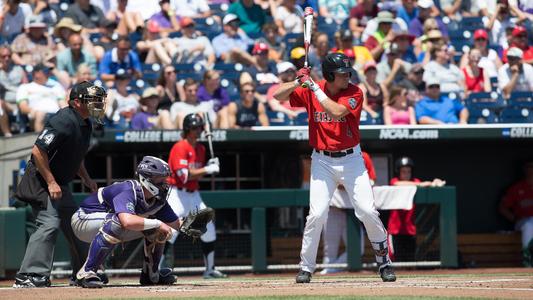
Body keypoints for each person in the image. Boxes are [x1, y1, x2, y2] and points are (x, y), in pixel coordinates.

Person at [273, 52, 396, 283]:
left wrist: (313, 88)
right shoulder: (312, 87)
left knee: (367, 211)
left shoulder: (355, 92)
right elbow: (278, 95)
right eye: (341, 74)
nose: (347, 77)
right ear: (330, 75)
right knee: (316, 214)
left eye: (348, 73)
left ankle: (384, 262)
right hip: (322, 160)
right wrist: (299, 82)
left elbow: (336, 111)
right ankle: (306, 268)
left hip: (351, 160)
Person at [13, 81, 105, 288]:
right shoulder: (64, 119)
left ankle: (85, 271)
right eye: (92, 100)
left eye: (99, 100)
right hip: (40, 180)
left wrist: (86, 177)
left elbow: (76, 155)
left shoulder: (85, 122)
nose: (97, 103)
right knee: (49, 223)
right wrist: (51, 181)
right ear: (75, 102)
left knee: (77, 225)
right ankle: (29, 275)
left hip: (59, 183)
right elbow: (38, 151)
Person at [71, 156, 180, 288]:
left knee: (158, 230)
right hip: (83, 220)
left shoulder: (158, 200)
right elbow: (126, 221)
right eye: (160, 179)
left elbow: (174, 224)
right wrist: (158, 223)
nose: (164, 183)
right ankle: (86, 272)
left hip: (105, 224)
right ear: (146, 178)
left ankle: (151, 274)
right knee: (117, 222)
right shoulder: (129, 189)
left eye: (165, 178)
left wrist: (189, 225)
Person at [166, 113, 227, 279]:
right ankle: (156, 268)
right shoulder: (180, 147)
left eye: (200, 127)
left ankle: (210, 269)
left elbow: (195, 175)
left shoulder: (201, 148)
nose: (198, 130)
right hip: (177, 194)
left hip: (193, 195)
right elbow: (184, 176)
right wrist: (208, 169)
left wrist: (208, 167)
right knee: (170, 232)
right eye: (194, 128)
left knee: (209, 230)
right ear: (187, 129)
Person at [320, 151, 376, 274]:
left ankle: (330, 269)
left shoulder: (363, 155)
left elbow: (371, 180)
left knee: (357, 249)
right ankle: (329, 270)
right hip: (333, 210)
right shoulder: (328, 154)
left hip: (352, 212)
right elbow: (335, 183)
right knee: (330, 251)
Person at [388, 157, 445, 262]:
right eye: (403, 172)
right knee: (396, 261)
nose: (406, 174)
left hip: (410, 230)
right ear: (398, 172)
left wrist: (434, 183)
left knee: (410, 261)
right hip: (396, 229)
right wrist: (421, 184)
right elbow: (397, 184)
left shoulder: (415, 181)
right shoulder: (395, 181)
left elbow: (426, 185)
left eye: (408, 171)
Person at [499, 160, 533, 267]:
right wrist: (514, 219)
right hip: (522, 222)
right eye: (529, 166)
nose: (531, 169)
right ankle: (527, 258)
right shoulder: (517, 188)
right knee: (529, 225)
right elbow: (502, 208)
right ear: (524, 169)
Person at [16, 64, 67, 132]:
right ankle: (39, 141)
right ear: (36, 74)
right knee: (41, 115)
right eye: (45, 72)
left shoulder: (55, 86)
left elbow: (63, 104)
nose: (48, 74)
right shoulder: (25, 87)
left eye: (48, 72)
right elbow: (23, 107)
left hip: (56, 115)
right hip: (36, 115)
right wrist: (34, 112)